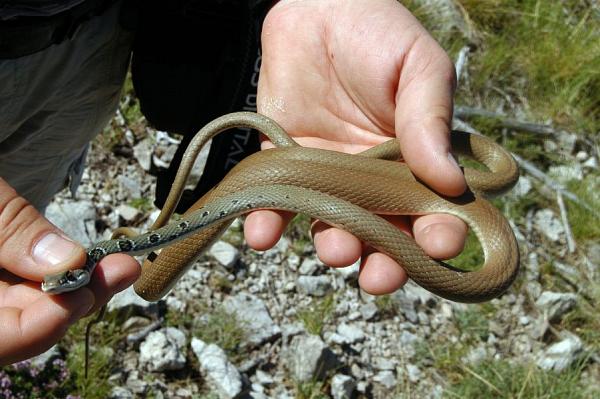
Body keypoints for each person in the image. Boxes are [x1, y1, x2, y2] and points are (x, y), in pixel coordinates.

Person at [0, 0, 467, 365]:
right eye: (65, 280)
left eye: (61, 279)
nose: (57, 283)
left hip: (92, 33)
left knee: (26, 208)